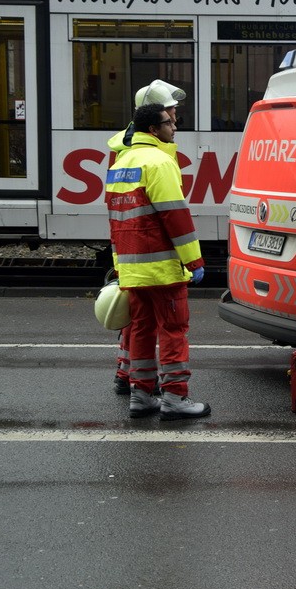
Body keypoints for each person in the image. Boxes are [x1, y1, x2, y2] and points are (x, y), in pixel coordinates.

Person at [105, 103, 210, 421]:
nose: (174, 127)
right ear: (153, 129)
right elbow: (175, 216)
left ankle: (141, 395)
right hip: (163, 269)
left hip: (133, 268)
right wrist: (194, 261)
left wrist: (121, 265)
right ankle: (176, 397)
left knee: (140, 331)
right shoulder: (159, 162)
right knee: (173, 331)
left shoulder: (121, 164)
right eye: (169, 122)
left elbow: (116, 221)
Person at [108, 80, 187, 396]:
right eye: (171, 113)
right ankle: (164, 390)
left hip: (131, 253)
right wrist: (191, 258)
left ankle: (129, 376)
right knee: (165, 325)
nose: (176, 119)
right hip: (155, 256)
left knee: (138, 321)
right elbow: (172, 214)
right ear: (156, 118)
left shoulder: (125, 150)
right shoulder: (153, 155)